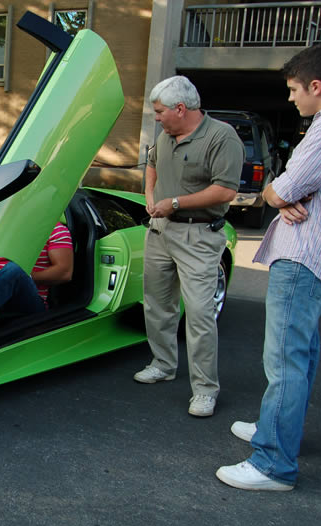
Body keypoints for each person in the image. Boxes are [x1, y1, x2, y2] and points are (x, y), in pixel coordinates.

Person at [216, 44, 321, 492]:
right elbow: (290, 190)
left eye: (294, 89)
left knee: (284, 360)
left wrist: (280, 196)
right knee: (300, 357)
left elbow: (279, 190)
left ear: (316, 86)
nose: (291, 99)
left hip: (301, 257)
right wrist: (287, 195)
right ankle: (278, 433)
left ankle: (272, 464)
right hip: (315, 257)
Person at [133, 75, 244, 417]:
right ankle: (164, 365)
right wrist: (151, 198)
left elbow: (225, 191)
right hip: (161, 229)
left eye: (160, 111)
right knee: (157, 304)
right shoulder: (165, 135)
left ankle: (205, 390)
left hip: (199, 235)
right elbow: (151, 165)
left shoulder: (221, 137)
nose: (157, 118)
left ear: (181, 109)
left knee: (198, 314)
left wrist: (176, 203)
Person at [0, 222, 73, 314]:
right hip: (0, 298)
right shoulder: (2, 228)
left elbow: (64, 273)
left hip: (30, 303)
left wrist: (25, 278)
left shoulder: (55, 229)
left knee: (15, 270)